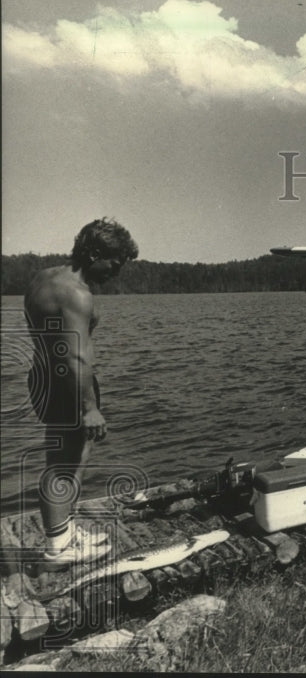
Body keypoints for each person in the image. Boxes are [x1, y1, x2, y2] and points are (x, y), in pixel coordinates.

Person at [24, 217, 139, 567]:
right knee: (66, 465)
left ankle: (64, 533)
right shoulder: (77, 294)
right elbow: (76, 355)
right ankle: (58, 548)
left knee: (64, 458)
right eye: (114, 263)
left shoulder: (44, 277)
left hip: (43, 376)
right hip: (68, 386)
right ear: (94, 253)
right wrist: (90, 408)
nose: (116, 271)